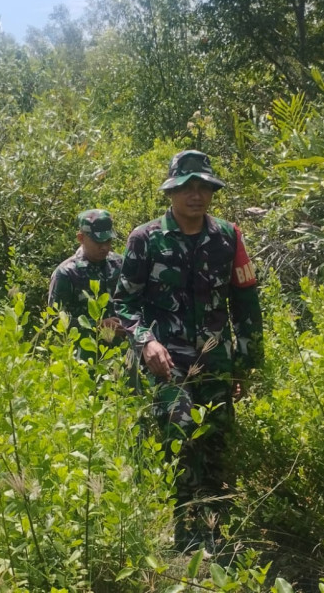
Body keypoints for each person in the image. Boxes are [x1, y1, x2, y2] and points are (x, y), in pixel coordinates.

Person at [114, 150, 264, 552]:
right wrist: (146, 341)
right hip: (167, 360)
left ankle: (217, 529)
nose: (196, 195)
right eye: (186, 187)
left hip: (216, 360)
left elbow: (246, 302)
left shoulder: (229, 237)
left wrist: (245, 365)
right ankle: (185, 530)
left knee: (215, 440)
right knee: (178, 432)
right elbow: (123, 304)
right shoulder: (145, 239)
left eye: (203, 187)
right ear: (171, 191)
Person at [48, 209, 124, 356]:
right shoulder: (66, 273)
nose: (104, 247)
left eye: (108, 240)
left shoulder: (119, 264)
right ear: (81, 238)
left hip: (121, 354)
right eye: (98, 241)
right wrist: (97, 325)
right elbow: (55, 320)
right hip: (83, 358)